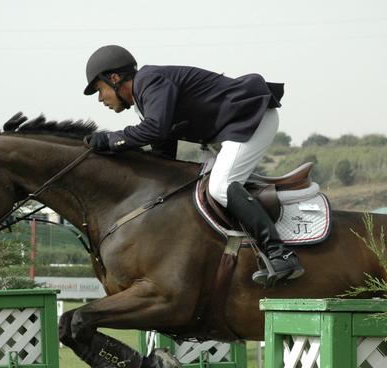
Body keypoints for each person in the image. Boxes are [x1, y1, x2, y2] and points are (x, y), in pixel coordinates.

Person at [83, 44, 304, 287]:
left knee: (221, 186)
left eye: (99, 90)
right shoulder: (145, 99)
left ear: (114, 78)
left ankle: (280, 254)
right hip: (227, 131)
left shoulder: (149, 81)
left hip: (251, 118)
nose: (100, 99)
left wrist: (111, 140)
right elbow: (163, 152)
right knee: (194, 191)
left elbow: (156, 129)